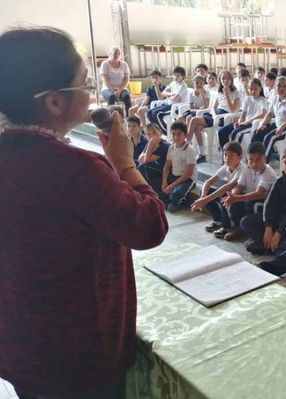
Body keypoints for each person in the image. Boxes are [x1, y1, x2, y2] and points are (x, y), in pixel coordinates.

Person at [0, 27, 168, 399]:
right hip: (79, 351)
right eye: (84, 83)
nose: (91, 92)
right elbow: (149, 226)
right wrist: (124, 163)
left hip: (22, 336)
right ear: (54, 103)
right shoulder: (76, 168)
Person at [240, 147, 286, 255]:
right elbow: (269, 205)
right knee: (245, 222)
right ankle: (273, 248)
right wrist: (268, 227)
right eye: (285, 162)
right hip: (278, 218)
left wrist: (278, 232)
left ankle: (267, 247)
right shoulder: (279, 181)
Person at [220, 142, 278, 241]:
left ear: (264, 158)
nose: (254, 164)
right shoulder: (246, 168)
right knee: (228, 198)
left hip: (265, 203)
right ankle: (239, 228)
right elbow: (240, 186)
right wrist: (232, 195)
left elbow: (259, 193)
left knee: (250, 204)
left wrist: (236, 198)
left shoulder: (269, 173)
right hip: (250, 198)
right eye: (251, 160)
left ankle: (252, 230)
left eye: (258, 160)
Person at [191, 141, 244, 234]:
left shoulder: (242, 169)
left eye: (231, 155)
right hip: (231, 194)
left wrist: (205, 200)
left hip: (241, 198)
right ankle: (218, 220)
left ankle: (227, 226)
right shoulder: (226, 167)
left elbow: (228, 186)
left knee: (224, 195)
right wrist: (203, 196)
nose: (227, 158)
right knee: (206, 191)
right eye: (225, 155)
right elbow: (209, 181)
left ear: (240, 157)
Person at [187, 70, 241, 152]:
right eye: (223, 79)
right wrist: (214, 114)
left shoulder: (235, 92)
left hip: (225, 116)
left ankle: (187, 144)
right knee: (197, 127)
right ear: (220, 80)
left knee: (194, 120)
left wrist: (227, 95)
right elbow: (213, 107)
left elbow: (232, 109)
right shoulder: (219, 92)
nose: (225, 81)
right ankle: (201, 154)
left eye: (228, 79)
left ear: (231, 80)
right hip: (215, 115)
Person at [255, 76, 286, 158]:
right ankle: (254, 157)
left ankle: (263, 162)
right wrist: (262, 123)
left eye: (284, 86)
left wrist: (284, 125)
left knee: (269, 138)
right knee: (258, 132)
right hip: (279, 125)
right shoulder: (275, 98)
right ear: (275, 87)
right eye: (279, 86)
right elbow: (270, 114)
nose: (281, 88)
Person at [217, 78, 268, 149]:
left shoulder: (262, 100)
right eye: (251, 89)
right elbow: (243, 114)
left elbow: (263, 114)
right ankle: (225, 154)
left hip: (252, 124)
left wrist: (247, 122)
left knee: (236, 134)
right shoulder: (247, 99)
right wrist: (239, 122)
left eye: (255, 89)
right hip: (244, 123)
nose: (253, 91)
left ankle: (234, 156)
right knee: (221, 132)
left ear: (260, 88)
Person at [160, 122, 197, 211]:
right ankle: (168, 201)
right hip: (174, 176)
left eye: (179, 134)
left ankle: (176, 201)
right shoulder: (171, 148)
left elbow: (188, 174)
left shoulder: (189, 150)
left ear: (185, 135)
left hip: (187, 179)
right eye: (173, 134)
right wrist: (164, 182)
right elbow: (167, 166)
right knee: (155, 183)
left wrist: (171, 186)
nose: (176, 137)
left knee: (176, 195)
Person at [146, 66, 189, 134]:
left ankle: (167, 132)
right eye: (174, 75)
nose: (175, 77)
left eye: (178, 75)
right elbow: (163, 93)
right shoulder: (173, 83)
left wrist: (169, 96)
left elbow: (175, 99)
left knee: (157, 114)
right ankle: (160, 131)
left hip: (176, 108)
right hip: (169, 104)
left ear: (183, 76)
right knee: (149, 113)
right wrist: (171, 94)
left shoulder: (183, 86)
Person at [138, 123, 171, 191]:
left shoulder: (165, 145)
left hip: (164, 172)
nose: (152, 135)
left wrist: (151, 145)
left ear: (160, 132)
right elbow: (140, 159)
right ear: (146, 137)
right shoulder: (149, 143)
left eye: (154, 132)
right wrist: (151, 146)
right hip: (154, 172)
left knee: (143, 167)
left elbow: (146, 160)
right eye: (149, 134)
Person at [99, 46, 132, 113]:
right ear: (110, 54)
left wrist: (120, 90)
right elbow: (105, 80)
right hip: (107, 89)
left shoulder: (124, 64)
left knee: (126, 96)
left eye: (118, 53)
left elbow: (126, 79)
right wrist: (114, 90)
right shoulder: (105, 64)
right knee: (112, 97)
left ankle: (129, 117)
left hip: (121, 88)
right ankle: (110, 117)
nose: (116, 55)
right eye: (114, 53)